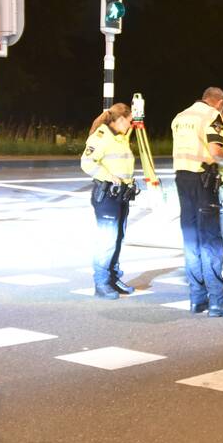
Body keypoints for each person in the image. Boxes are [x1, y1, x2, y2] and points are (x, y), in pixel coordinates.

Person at [171, 87, 223, 317]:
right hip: (203, 182)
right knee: (211, 241)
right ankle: (218, 301)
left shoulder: (180, 117)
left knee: (191, 240)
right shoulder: (211, 116)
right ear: (220, 102)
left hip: (182, 181)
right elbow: (214, 149)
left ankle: (197, 298)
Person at [81, 103, 138, 299]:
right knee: (107, 239)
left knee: (118, 238)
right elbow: (86, 162)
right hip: (107, 195)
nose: (130, 125)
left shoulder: (120, 137)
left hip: (121, 194)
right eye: (129, 121)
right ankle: (101, 282)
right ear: (120, 119)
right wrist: (108, 176)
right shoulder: (101, 136)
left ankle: (113, 278)